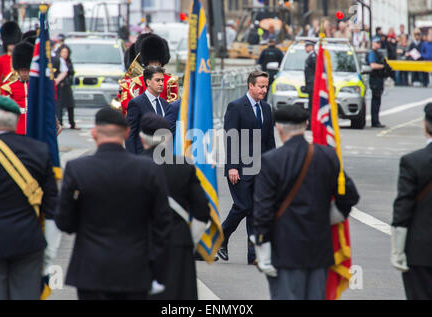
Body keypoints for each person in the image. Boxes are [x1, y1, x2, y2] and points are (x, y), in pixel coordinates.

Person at [55, 107, 171, 300]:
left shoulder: (77, 169)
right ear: (126, 133)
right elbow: (163, 224)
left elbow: (64, 221)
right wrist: (157, 268)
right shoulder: (149, 169)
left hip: (91, 269)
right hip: (136, 268)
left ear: (94, 133)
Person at [253, 105, 360, 300]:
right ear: (305, 126)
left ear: (279, 128)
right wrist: (330, 217)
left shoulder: (271, 161)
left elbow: (263, 210)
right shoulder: (327, 156)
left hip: (284, 251)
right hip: (319, 249)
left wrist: (262, 248)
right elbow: (350, 195)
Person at [0, 96, 60, 300]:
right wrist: (50, 252)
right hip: (29, 241)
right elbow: (52, 207)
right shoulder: (40, 151)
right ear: (17, 122)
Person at [139, 113, 210, 299]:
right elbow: (202, 210)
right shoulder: (183, 165)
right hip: (177, 243)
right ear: (168, 138)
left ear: (140, 136)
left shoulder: (132, 166)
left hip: (141, 242)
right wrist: (189, 239)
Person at [218, 71, 276, 265]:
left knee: (255, 211)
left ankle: (253, 256)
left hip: (260, 169)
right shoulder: (236, 107)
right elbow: (231, 138)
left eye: (266, 86)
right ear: (250, 86)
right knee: (244, 206)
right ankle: (220, 237)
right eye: (260, 86)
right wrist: (232, 167)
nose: (264, 90)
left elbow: (269, 142)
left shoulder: (266, 109)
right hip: (240, 169)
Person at [391, 103, 432, 300]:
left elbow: (403, 206)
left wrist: (397, 248)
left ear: (425, 126)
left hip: (421, 250)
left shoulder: (413, 161)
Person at [126, 66, 172, 155]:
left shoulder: (165, 104)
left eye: (162, 80)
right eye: (157, 80)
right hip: (143, 156)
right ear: (148, 82)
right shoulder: (136, 103)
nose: (161, 83)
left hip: (164, 157)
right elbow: (130, 133)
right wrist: (132, 158)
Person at [127, 33, 179, 107]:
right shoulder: (138, 82)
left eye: (156, 62)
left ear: (161, 63)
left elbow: (174, 105)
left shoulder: (170, 81)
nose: (154, 65)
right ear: (147, 63)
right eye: (151, 62)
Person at [0, 42, 34, 135]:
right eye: (22, 70)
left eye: (26, 70)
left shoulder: (35, 86)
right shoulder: (10, 87)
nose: (24, 73)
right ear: (18, 70)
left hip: (33, 121)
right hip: (18, 123)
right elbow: (6, 107)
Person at [53, 44, 78, 130]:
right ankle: (59, 122)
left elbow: (69, 72)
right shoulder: (57, 60)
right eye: (63, 52)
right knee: (59, 105)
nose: (64, 54)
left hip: (66, 86)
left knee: (70, 105)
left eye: (66, 52)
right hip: (59, 86)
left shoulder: (68, 62)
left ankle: (72, 122)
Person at [0, 21, 22, 96]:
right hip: (5, 92)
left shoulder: (20, 57)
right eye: (10, 44)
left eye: (13, 44)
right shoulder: (1, 59)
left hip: (18, 92)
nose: (12, 46)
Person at [366, 36, 387, 128]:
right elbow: (373, 65)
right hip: (374, 79)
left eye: (379, 43)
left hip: (378, 79)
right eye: (377, 42)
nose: (379, 44)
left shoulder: (378, 53)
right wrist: (383, 66)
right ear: (373, 43)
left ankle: (376, 120)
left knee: (377, 101)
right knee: (375, 101)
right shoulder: (372, 53)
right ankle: (375, 121)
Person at [304, 40, 317, 129]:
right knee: (311, 105)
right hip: (311, 85)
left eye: (307, 46)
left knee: (312, 105)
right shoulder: (311, 56)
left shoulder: (313, 57)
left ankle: (312, 124)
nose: (305, 48)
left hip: (313, 85)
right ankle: (311, 123)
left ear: (311, 47)